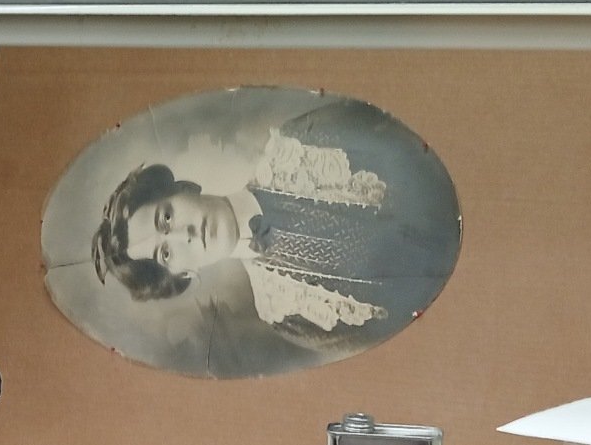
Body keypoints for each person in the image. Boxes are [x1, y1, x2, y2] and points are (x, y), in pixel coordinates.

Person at [89, 93, 460, 358]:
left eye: (166, 217)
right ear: (183, 275)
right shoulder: (286, 314)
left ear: (183, 189)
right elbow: (402, 346)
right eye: (166, 253)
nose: (183, 234)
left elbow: (414, 143)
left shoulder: (299, 145)